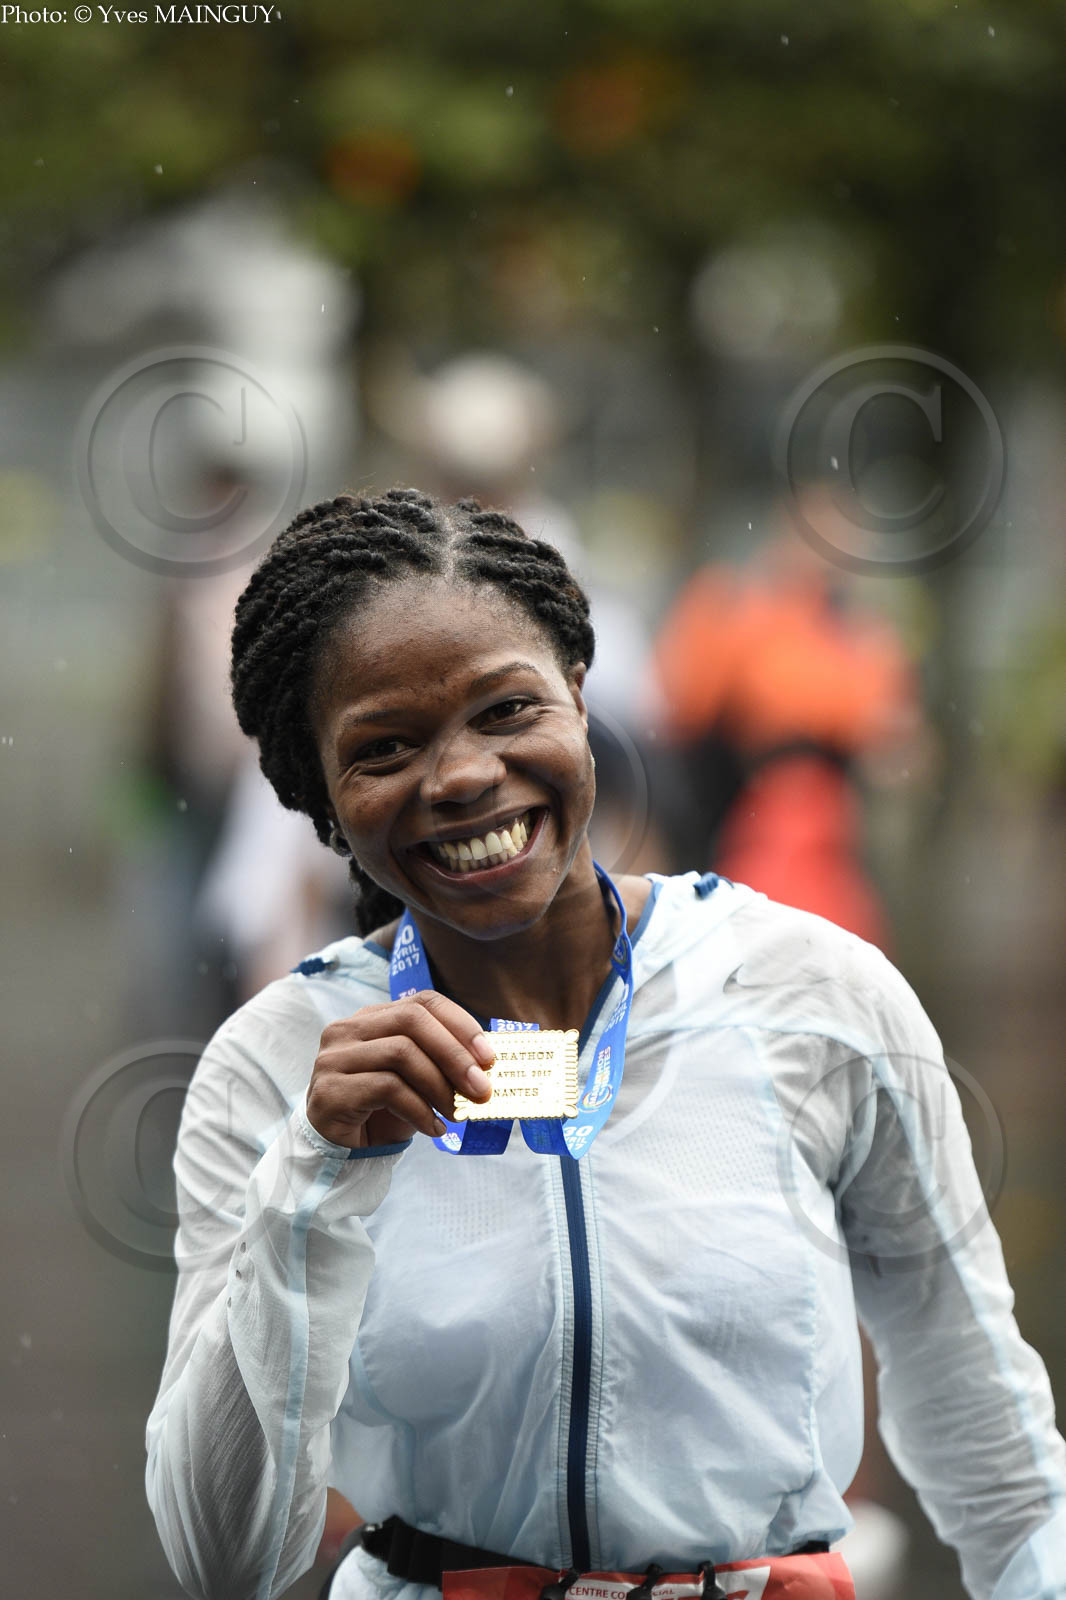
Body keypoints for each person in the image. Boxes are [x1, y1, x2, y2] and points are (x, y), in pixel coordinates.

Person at [145, 488, 1066, 1600]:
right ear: (321, 795)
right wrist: (311, 1181)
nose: (462, 774)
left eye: (506, 708)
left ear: (581, 698)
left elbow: (998, 1456)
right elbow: (223, 1558)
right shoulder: (278, 1067)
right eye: (385, 746)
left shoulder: (814, 995)